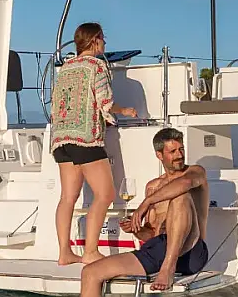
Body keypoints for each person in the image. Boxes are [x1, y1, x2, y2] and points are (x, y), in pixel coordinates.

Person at [80, 128, 210, 295]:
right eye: (172, 151)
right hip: (158, 249)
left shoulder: (195, 172)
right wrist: (136, 229)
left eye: (181, 149)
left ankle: (168, 268)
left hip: (190, 253)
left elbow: (185, 183)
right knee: (90, 273)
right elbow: (151, 234)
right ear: (159, 155)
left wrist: (146, 203)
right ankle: (165, 266)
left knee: (180, 197)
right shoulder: (153, 187)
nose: (179, 155)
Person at [50, 22, 138, 266]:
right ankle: (90, 251)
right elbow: (105, 102)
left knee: (67, 198)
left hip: (61, 139)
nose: (105, 43)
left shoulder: (66, 67)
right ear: (95, 40)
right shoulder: (96, 66)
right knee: (105, 194)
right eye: (103, 38)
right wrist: (125, 110)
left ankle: (64, 253)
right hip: (85, 139)